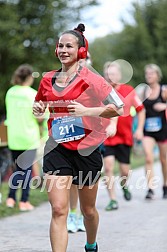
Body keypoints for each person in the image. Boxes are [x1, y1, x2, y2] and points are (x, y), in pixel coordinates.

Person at [33, 23, 124, 252]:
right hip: (57, 148)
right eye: (60, 46)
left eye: (69, 46)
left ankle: (91, 244)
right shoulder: (47, 79)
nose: (63, 50)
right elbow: (41, 106)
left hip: (87, 149)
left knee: (88, 210)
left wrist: (87, 112)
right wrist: (38, 111)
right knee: (59, 209)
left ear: (80, 51)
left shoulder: (93, 79)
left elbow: (119, 107)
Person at [102, 61, 145, 210]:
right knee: (108, 167)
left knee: (124, 171)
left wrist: (139, 129)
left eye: (113, 74)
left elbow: (141, 110)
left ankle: (124, 185)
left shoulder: (128, 90)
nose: (110, 77)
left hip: (125, 136)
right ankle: (113, 200)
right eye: (107, 74)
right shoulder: (101, 92)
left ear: (119, 75)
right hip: (107, 136)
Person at [5, 64, 41, 211]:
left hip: (13, 136)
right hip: (29, 137)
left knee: (16, 170)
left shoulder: (10, 92)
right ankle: (24, 201)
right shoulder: (33, 94)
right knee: (26, 170)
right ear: (30, 77)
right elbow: (39, 117)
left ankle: (10, 198)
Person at [67, 52, 92, 233]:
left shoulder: (94, 82)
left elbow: (113, 107)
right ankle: (72, 215)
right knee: (71, 182)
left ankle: (85, 215)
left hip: (90, 139)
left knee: (84, 183)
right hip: (68, 138)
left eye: (84, 60)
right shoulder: (63, 80)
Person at [142, 64, 167, 199]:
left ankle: (165, 185)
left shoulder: (163, 90)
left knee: (164, 160)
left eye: (151, 73)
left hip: (162, 129)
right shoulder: (143, 91)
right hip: (148, 130)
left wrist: (164, 105)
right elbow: (137, 108)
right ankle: (150, 189)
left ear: (158, 75)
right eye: (147, 73)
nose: (149, 76)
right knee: (148, 157)